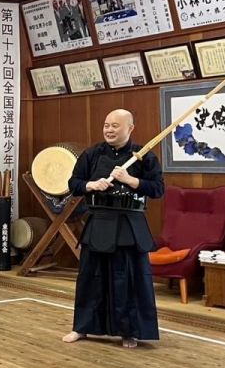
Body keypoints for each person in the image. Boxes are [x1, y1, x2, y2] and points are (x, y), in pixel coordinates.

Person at [63, 109, 163, 349]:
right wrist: (91, 184)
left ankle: (129, 331)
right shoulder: (92, 154)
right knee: (90, 277)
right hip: (99, 222)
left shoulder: (144, 157)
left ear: (130, 128)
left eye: (115, 126)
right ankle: (82, 327)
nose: (109, 129)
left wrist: (130, 180)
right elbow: (73, 184)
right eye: (106, 125)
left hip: (130, 225)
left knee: (128, 279)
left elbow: (158, 189)